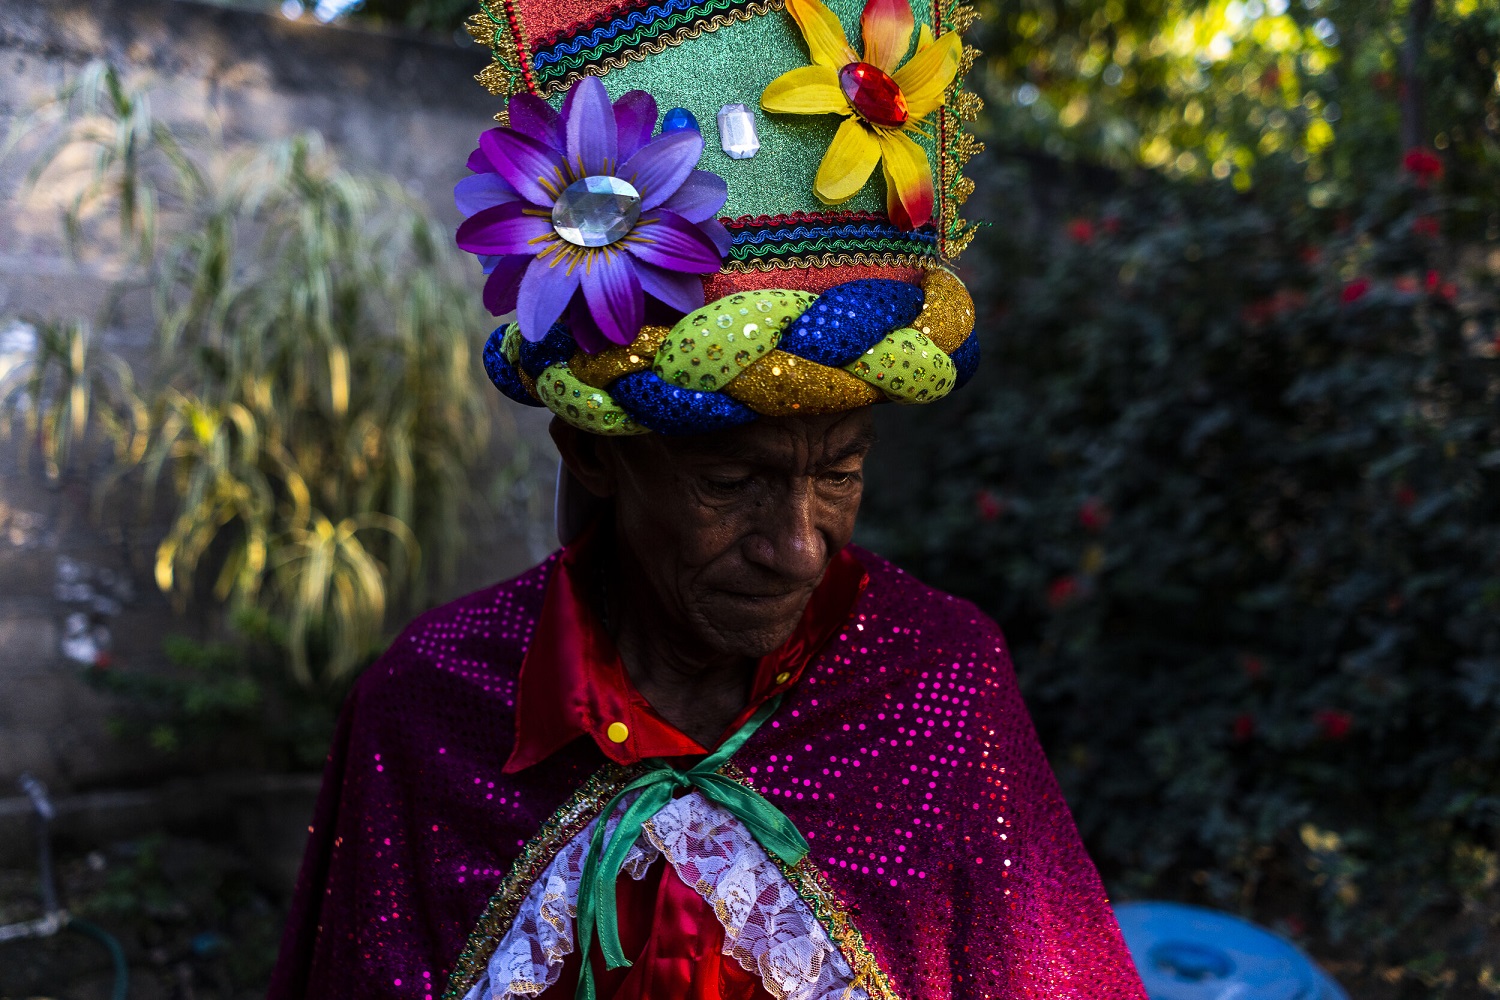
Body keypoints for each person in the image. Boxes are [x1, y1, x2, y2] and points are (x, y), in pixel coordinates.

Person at [269, 0, 1148, 996]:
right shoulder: (429, 708)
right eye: (731, 483)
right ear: (593, 452)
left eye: (840, 473)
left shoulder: (940, 684)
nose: (801, 547)